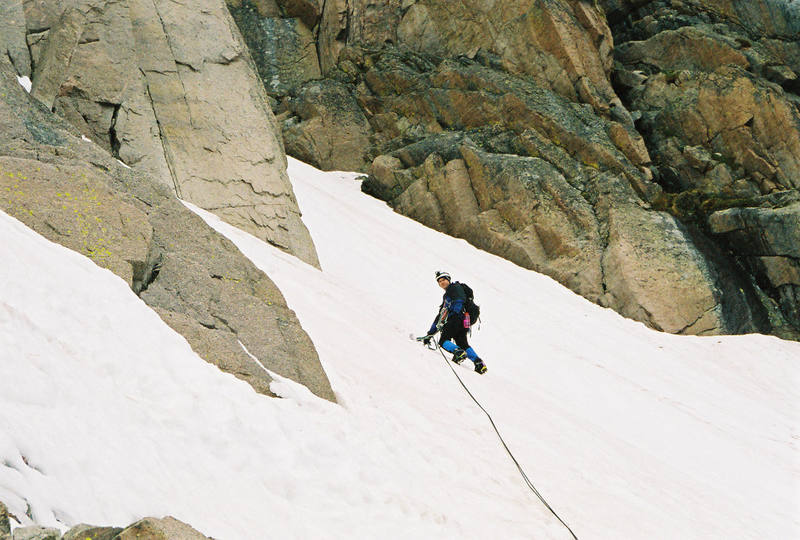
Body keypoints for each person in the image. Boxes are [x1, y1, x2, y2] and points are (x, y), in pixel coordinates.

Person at [423, 271, 487, 374]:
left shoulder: (453, 288)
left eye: (443, 279)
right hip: (465, 320)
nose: (441, 282)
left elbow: (458, 301)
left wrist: (455, 315)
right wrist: (430, 333)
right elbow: (440, 315)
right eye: (439, 281)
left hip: (457, 318)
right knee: (462, 343)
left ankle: (458, 352)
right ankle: (478, 362)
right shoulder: (450, 293)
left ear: (448, 279)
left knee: (443, 340)